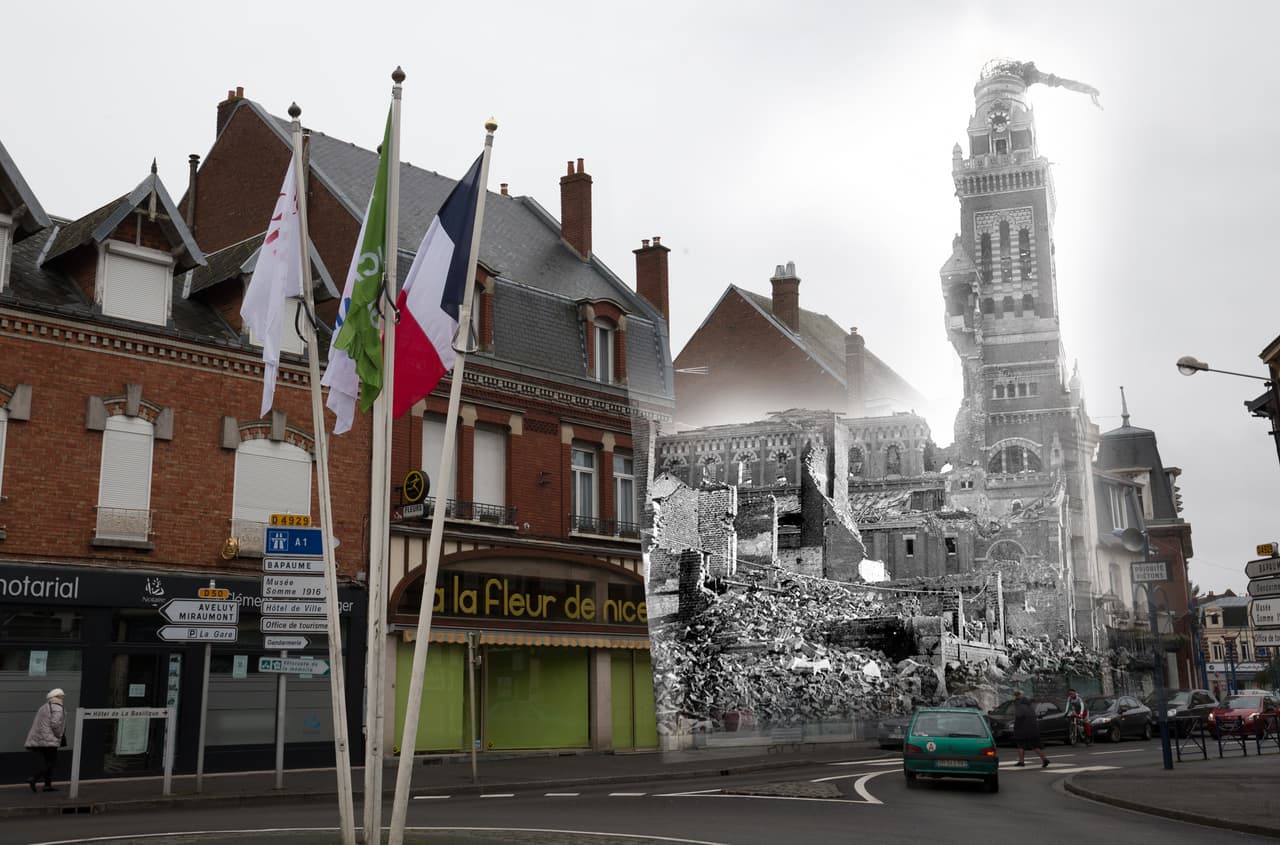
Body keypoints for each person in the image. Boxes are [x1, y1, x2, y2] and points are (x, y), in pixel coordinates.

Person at [25, 688, 66, 793]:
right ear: (57, 697)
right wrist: (59, 735)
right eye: (62, 696)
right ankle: (34, 778)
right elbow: (55, 724)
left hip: (41, 739)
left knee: (48, 762)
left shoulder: (44, 707)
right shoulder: (57, 707)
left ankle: (47, 786)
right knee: (51, 763)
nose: (63, 697)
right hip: (50, 740)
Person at [1011, 690, 1049, 767]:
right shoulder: (1029, 704)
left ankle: (1022, 762)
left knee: (1021, 745)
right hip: (1033, 728)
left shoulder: (1019, 706)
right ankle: (1044, 759)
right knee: (1034, 745)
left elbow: (1019, 716)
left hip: (1022, 729)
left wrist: (1015, 725)